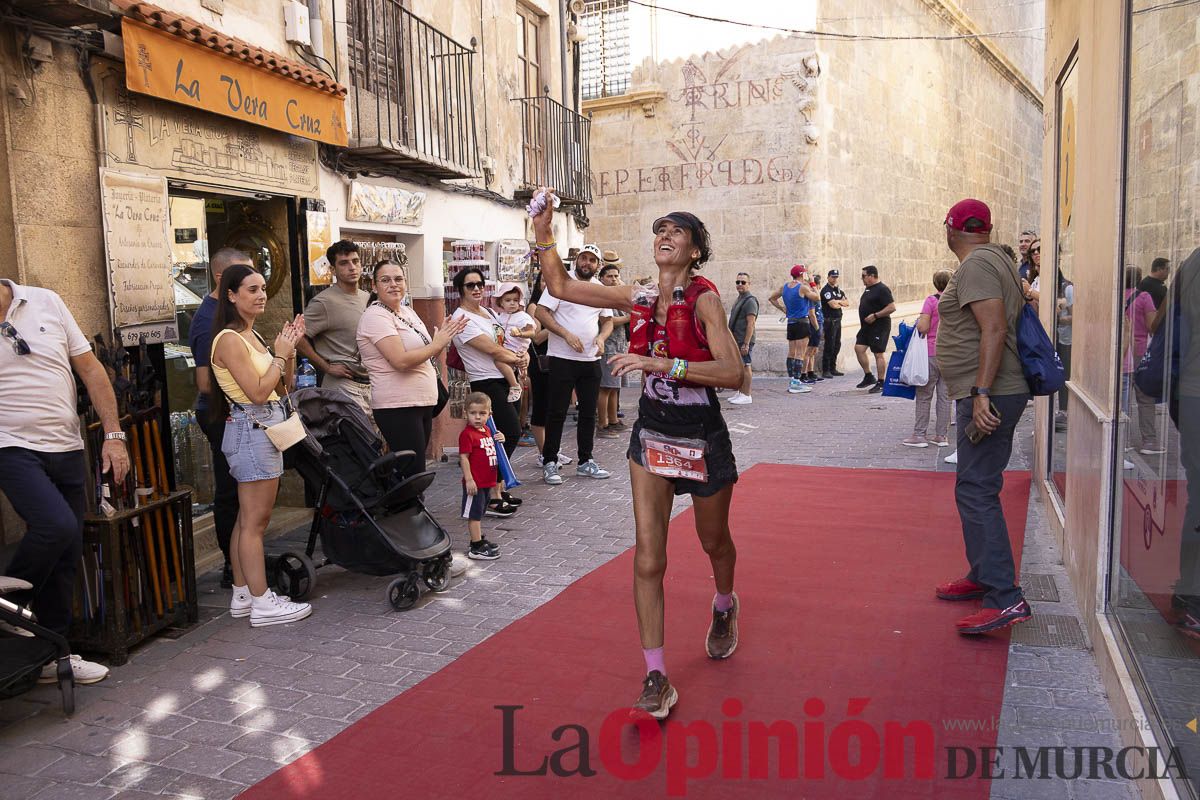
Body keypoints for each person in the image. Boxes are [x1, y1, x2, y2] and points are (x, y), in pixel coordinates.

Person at [533, 197, 744, 719]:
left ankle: (724, 605)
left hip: (700, 434)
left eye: (676, 231)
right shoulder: (640, 294)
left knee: (713, 540)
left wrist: (659, 363)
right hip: (652, 435)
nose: (664, 237)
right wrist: (543, 234)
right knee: (649, 556)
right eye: (659, 231)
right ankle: (656, 675)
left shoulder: (705, 300)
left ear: (695, 249)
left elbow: (733, 373)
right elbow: (560, 287)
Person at [0, 279, 130, 685]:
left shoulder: (45, 301)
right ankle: (11, 610)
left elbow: (91, 369)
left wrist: (113, 435)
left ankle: (54, 653)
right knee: (56, 525)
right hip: (10, 446)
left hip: (67, 444)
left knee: (67, 551)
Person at [934, 198, 1032, 635]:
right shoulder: (996, 260)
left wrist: (981, 392)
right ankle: (983, 574)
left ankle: (1004, 597)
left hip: (991, 393)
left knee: (977, 490)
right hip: (991, 390)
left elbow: (993, 328)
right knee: (974, 486)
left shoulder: (975, 265)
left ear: (952, 229)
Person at [210, 265, 313, 627]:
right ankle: (262, 601)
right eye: (251, 289)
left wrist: (290, 349)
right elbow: (255, 394)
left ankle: (243, 593)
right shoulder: (228, 339)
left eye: (263, 288)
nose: (261, 294)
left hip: (261, 426)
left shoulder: (251, 336)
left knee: (247, 519)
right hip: (250, 427)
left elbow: (281, 384)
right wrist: (280, 353)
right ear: (231, 295)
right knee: (256, 522)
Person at [357, 260, 466, 480]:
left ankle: (411, 512)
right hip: (398, 406)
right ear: (374, 286)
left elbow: (425, 352)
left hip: (421, 402)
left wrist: (440, 339)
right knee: (411, 472)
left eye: (398, 279)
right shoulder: (375, 316)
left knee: (415, 470)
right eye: (385, 280)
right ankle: (407, 513)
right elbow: (400, 361)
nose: (393, 285)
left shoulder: (407, 312)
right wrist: (437, 344)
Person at [189, 247, 252, 589]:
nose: (257, 286)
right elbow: (203, 382)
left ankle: (246, 559)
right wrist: (249, 387)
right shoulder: (207, 318)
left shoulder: (231, 312)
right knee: (230, 490)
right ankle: (234, 566)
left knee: (246, 490)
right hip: (221, 415)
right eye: (248, 278)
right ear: (222, 279)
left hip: (241, 412)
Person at [534, 244, 615, 485]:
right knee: (556, 411)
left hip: (590, 359)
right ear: (577, 260)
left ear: (597, 265)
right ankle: (549, 461)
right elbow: (541, 312)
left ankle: (585, 461)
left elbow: (608, 320)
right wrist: (565, 334)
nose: (586, 263)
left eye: (592, 260)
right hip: (562, 358)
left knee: (588, 413)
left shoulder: (600, 290)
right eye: (583, 258)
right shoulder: (561, 282)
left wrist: (601, 337)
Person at [450, 267, 525, 515]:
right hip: (486, 382)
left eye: (480, 284)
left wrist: (520, 356)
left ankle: (498, 489)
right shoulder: (461, 319)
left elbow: (503, 342)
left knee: (504, 437)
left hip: (504, 377)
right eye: (470, 285)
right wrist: (517, 359)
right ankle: (491, 492)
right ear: (460, 289)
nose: (476, 289)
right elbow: (490, 349)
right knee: (509, 434)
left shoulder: (489, 311)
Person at [297, 240, 372, 415]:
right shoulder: (324, 302)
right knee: (354, 441)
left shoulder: (367, 297)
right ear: (333, 270)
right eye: (344, 263)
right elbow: (296, 338)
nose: (352, 267)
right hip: (344, 386)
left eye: (355, 261)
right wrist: (326, 367)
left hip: (372, 384)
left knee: (376, 442)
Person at [903, 270, 953, 448]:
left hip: (931, 352)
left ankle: (919, 435)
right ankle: (941, 436)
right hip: (950, 354)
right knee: (945, 397)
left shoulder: (932, 301)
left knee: (924, 394)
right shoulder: (957, 301)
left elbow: (923, 327)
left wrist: (919, 322)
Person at [1121, 266, 1163, 454]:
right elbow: (1152, 325)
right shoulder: (1144, 297)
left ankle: (1123, 439)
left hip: (1122, 351)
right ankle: (1149, 441)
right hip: (1139, 350)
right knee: (1145, 398)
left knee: (1122, 397)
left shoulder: (1117, 297)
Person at [459, 392, 505, 561]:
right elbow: (463, 457)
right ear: (466, 413)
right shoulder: (467, 434)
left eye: (482, 413)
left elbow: (492, 449)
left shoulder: (486, 430)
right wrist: (469, 479)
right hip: (475, 484)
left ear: (489, 414)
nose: (477, 417)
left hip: (487, 482)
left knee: (480, 512)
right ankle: (476, 546)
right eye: (473, 413)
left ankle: (479, 539)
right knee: (474, 515)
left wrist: (501, 437)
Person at [769, 265, 819, 394]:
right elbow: (817, 297)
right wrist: (812, 282)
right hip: (802, 322)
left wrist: (783, 309)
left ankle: (792, 380)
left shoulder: (785, 287)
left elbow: (772, 298)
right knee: (800, 354)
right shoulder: (802, 287)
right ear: (802, 275)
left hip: (791, 323)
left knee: (791, 353)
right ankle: (796, 383)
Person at [597, 263, 631, 435]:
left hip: (618, 345)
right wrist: (628, 317)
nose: (614, 279)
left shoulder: (616, 295)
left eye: (616, 276)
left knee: (614, 387)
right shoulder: (600, 297)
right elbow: (608, 321)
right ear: (601, 278)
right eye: (610, 276)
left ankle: (613, 420)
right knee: (605, 387)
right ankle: (602, 424)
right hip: (608, 346)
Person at [494, 282, 537, 404]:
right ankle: (519, 378)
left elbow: (532, 332)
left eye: (515, 300)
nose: (512, 303)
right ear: (501, 302)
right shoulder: (500, 316)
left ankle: (514, 385)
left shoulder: (523, 317)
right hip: (506, 347)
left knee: (499, 361)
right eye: (508, 300)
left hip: (516, 348)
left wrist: (520, 334)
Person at [855, 265, 896, 393]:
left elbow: (891, 307)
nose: (862, 279)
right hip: (866, 327)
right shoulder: (868, 288)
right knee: (859, 348)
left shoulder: (882, 289)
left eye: (864, 276)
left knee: (878, 353)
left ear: (872, 276)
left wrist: (875, 315)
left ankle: (881, 382)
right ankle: (868, 376)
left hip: (879, 326)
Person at [726, 272, 759, 404]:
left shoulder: (750, 301)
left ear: (749, 284)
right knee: (740, 366)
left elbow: (751, 323)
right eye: (738, 282)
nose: (740, 285)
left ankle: (747, 394)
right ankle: (740, 392)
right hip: (736, 339)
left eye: (743, 282)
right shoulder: (740, 298)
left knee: (746, 365)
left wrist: (746, 343)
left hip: (744, 340)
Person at [819, 269, 850, 378]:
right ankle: (826, 370)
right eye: (832, 277)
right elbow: (832, 305)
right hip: (830, 321)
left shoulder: (838, 290)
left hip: (838, 320)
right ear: (828, 277)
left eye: (836, 277)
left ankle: (833, 368)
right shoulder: (826, 290)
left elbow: (847, 302)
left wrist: (839, 302)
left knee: (837, 344)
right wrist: (840, 302)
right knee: (829, 345)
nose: (834, 279)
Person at [803, 272, 824, 383]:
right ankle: (804, 374)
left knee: (813, 351)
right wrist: (816, 328)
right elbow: (812, 314)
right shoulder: (812, 296)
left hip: (819, 323)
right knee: (809, 351)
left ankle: (811, 372)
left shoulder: (814, 295)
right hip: (814, 325)